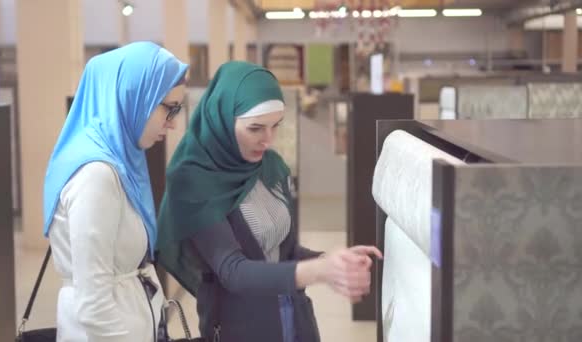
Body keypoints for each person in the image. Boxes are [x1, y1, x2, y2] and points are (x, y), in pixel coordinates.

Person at [156, 61, 382, 342]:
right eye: (255, 128)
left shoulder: (270, 166)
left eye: (275, 126)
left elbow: (283, 250)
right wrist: (318, 271)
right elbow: (233, 271)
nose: (268, 140)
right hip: (239, 329)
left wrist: (332, 261)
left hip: (295, 321)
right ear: (224, 119)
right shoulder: (194, 179)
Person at [42, 41, 188, 342]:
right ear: (133, 97)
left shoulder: (120, 164)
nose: (172, 124)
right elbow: (93, 305)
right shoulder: (96, 175)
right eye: (169, 109)